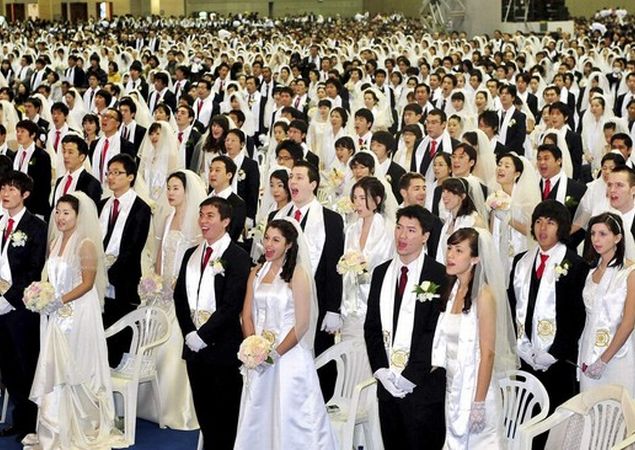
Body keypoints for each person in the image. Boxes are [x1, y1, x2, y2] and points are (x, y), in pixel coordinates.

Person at [234, 219, 337, 449]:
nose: (268, 245)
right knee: (257, 414)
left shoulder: (297, 275)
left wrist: (274, 355)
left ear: (289, 244)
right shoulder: (256, 273)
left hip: (288, 357)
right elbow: (247, 314)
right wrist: (252, 346)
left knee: (293, 417)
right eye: (267, 238)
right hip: (258, 358)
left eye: (276, 240)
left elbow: (301, 325)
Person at [27, 192, 120, 448]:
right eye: (57, 211)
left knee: (76, 364)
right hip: (54, 313)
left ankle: (83, 422)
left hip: (78, 313)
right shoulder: (55, 241)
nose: (60, 217)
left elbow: (88, 284)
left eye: (66, 213)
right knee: (53, 364)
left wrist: (59, 300)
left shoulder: (86, 244)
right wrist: (41, 295)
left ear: (79, 216)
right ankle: (54, 423)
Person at [364, 205, 447, 450]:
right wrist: (381, 370)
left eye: (411, 230)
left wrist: (410, 377)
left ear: (425, 236)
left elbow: (434, 332)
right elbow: (372, 327)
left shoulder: (439, 275)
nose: (402, 236)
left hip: (423, 387)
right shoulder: (381, 273)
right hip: (387, 383)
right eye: (399, 228)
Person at [173, 196, 251, 450]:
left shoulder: (238, 257)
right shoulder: (190, 254)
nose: (203, 221)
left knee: (225, 414)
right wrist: (189, 333)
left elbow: (232, 304)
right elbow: (180, 298)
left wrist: (203, 335)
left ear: (226, 221)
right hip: (194, 348)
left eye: (210, 216)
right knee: (204, 411)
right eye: (201, 215)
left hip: (223, 348)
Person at [431, 227, 518, 448]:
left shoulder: (484, 295)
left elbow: (487, 353)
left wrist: (478, 403)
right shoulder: (452, 291)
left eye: (459, 250)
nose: (450, 255)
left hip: (477, 390)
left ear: (475, 258)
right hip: (453, 388)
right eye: (449, 248)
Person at [137, 170, 207, 430]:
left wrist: (178, 287)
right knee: (151, 344)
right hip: (161, 292)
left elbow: (196, 262)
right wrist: (154, 280)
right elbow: (159, 255)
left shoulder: (196, 224)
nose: (170, 192)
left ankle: (173, 407)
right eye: (169, 188)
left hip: (182, 293)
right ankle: (147, 404)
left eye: (176, 188)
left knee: (173, 349)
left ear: (186, 191)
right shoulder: (165, 219)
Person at [271, 160, 344, 400]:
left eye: (299, 177)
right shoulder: (278, 215)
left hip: (318, 302)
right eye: (291, 177)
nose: (293, 182)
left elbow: (335, 266)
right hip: (283, 303)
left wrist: (333, 308)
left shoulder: (331, 220)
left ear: (313, 184)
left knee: (319, 360)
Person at [508, 200, 589, 413]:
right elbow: (512, 304)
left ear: (561, 227)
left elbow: (577, 316)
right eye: (538, 222)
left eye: (550, 223)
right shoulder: (521, 261)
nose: (543, 228)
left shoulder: (575, 265)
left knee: (555, 419)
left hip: (558, 359)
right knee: (526, 416)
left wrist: (555, 353)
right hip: (525, 354)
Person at [0, 171, 47, 442]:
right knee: (7, 368)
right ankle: (18, 421)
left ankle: (30, 424)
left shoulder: (36, 227)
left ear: (25, 194)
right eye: (3, 188)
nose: (6, 194)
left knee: (24, 366)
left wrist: (8, 299)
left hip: (20, 309)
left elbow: (34, 270)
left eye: (12, 189)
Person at [98, 154, 152, 367]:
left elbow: (133, 248)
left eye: (117, 173)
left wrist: (106, 275)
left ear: (130, 176)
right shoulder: (102, 204)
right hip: (98, 282)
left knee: (117, 339)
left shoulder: (141, 208)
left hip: (123, 282)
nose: (111, 177)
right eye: (109, 173)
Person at [578, 212, 635, 393]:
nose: (596, 239)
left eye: (603, 234)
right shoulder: (590, 273)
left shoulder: (629, 272)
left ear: (617, 237)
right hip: (588, 349)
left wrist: (604, 360)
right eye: (593, 233)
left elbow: (628, 322)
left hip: (618, 354)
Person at [341, 176, 394, 340]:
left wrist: (364, 271)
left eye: (363, 198)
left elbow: (389, 267)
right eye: (355, 198)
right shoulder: (351, 230)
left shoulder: (388, 230)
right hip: (350, 302)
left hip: (375, 300)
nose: (357, 203)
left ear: (377, 200)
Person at [52, 134, 102, 207]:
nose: (65, 156)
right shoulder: (60, 181)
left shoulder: (91, 183)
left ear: (81, 157)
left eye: (70, 152)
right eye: (64, 152)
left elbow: (91, 213)